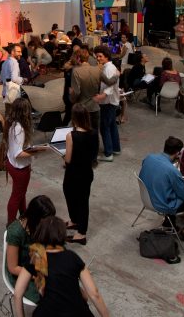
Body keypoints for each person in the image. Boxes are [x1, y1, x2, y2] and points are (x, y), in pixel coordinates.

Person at [13, 216, 110, 317]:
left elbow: (17, 294)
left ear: (41, 233)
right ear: (62, 235)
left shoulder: (35, 258)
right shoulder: (72, 257)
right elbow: (94, 294)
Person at [139, 136, 184, 241]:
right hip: (163, 204)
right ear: (178, 153)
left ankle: (168, 223)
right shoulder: (172, 171)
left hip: (147, 198)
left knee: (168, 187)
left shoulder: (149, 158)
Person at [5, 195, 56, 304]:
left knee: (66, 288)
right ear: (35, 218)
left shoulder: (39, 227)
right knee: (51, 298)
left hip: (38, 263)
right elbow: (13, 268)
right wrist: (39, 275)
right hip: (21, 273)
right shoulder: (16, 231)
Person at [5, 98, 47, 225]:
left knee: (20, 194)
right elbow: (18, 154)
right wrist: (37, 151)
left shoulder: (14, 124)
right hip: (19, 168)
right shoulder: (19, 129)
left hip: (13, 164)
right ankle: (11, 225)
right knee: (17, 196)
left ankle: (23, 215)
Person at [62, 104, 99, 244]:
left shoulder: (71, 136)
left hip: (73, 173)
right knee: (83, 200)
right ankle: (75, 221)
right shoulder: (94, 133)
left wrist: (63, 155)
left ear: (74, 118)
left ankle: (81, 234)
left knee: (71, 196)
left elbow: (68, 160)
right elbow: (94, 154)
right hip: (87, 172)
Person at [93, 46, 120, 162]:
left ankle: (108, 154)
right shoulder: (107, 67)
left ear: (107, 56)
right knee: (112, 125)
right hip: (111, 101)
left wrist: (102, 96)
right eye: (97, 56)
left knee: (104, 127)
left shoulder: (109, 68)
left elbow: (110, 85)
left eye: (100, 56)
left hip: (108, 102)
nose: (98, 58)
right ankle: (115, 148)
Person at [70, 48, 101, 140]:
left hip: (82, 108)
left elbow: (77, 92)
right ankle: (94, 148)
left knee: (82, 133)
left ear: (79, 58)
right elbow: (105, 83)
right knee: (95, 133)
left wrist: (72, 98)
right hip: (95, 107)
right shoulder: (97, 69)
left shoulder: (76, 71)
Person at [0, 43, 24, 115]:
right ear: (12, 52)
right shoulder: (14, 62)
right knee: (14, 115)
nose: (21, 54)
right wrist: (23, 79)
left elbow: (1, 78)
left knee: (8, 114)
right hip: (13, 92)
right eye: (18, 52)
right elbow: (14, 78)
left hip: (5, 92)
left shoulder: (5, 62)